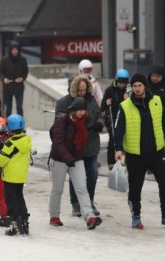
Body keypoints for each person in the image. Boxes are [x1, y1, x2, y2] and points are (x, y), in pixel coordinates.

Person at [114, 73, 165, 229]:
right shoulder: (125, 106)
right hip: (135, 154)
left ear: (144, 86)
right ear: (131, 88)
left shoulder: (157, 101)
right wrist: (118, 148)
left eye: (140, 85)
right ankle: (136, 216)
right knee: (135, 188)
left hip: (157, 152)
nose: (137, 89)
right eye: (134, 86)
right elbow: (118, 129)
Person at [49, 97, 102, 230]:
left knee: (82, 188)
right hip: (59, 159)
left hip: (76, 158)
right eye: (79, 110)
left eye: (83, 110)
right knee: (57, 189)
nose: (81, 113)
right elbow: (57, 142)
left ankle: (89, 217)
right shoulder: (62, 120)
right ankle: (54, 216)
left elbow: (87, 138)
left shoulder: (86, 121)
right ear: (72, 109)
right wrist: (67, 157)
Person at [55, 75, 103, 217]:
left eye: (85, 89)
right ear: (74, 89)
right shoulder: (64, 102)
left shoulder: (91, 99)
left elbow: (99, 114)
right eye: (80, 90)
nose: (82, 92)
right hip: (74, 146)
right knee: (76, 177)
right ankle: (75, 204)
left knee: (92, 174)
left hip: (91, 144)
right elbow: (60, 122)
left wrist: (100, 122)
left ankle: (89, 201)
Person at [0, 114, 31, 236]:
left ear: (10, 129)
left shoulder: (10, 144)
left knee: (11, 202)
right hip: (21, 177)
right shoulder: (26, 140)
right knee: (20, 199)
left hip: (10, 177)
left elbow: (1, 160)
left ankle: (16, 226)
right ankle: (25, 223)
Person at [101, 69, 130, 170]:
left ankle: (121, 161)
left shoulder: (127, 91)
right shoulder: (110, 90)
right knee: (113, 140)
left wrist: (128, 100)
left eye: (124, 83)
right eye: (120, 82)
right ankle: (111, 162)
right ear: (117, 80)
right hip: (112, 119)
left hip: (124, 119)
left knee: (122, 141)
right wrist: (106, 103)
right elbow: (102, 107)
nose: (122, 85)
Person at [0, 41, 28, 117]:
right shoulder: (4, 60)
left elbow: (26, 71)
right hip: (8, 87)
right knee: (8, 108)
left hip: (19, 87)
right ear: (10, 50)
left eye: (16, 50)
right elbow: (0, 72)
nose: (15, 51)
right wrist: (4, 79)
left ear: (18, 50)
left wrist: (22, 78)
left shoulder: (23, 59)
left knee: (19, 106)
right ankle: (8, 124)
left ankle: (21, 124)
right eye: (13, 50)